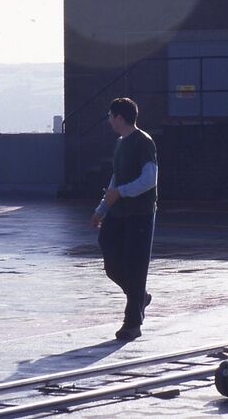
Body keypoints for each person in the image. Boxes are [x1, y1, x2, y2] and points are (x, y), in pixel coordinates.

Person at [90, 97, 158, 341]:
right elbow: (115, 180)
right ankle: (139, 295)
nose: (109, 121)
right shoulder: (120, 144)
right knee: (110, 259)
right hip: (118, 213)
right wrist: (102, 209)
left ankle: (132, 323)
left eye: (110, 116)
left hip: (139, 214)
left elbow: (149, 179)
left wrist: (122, 192)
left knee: (136, 266)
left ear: (119, 117)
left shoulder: (143, 143)